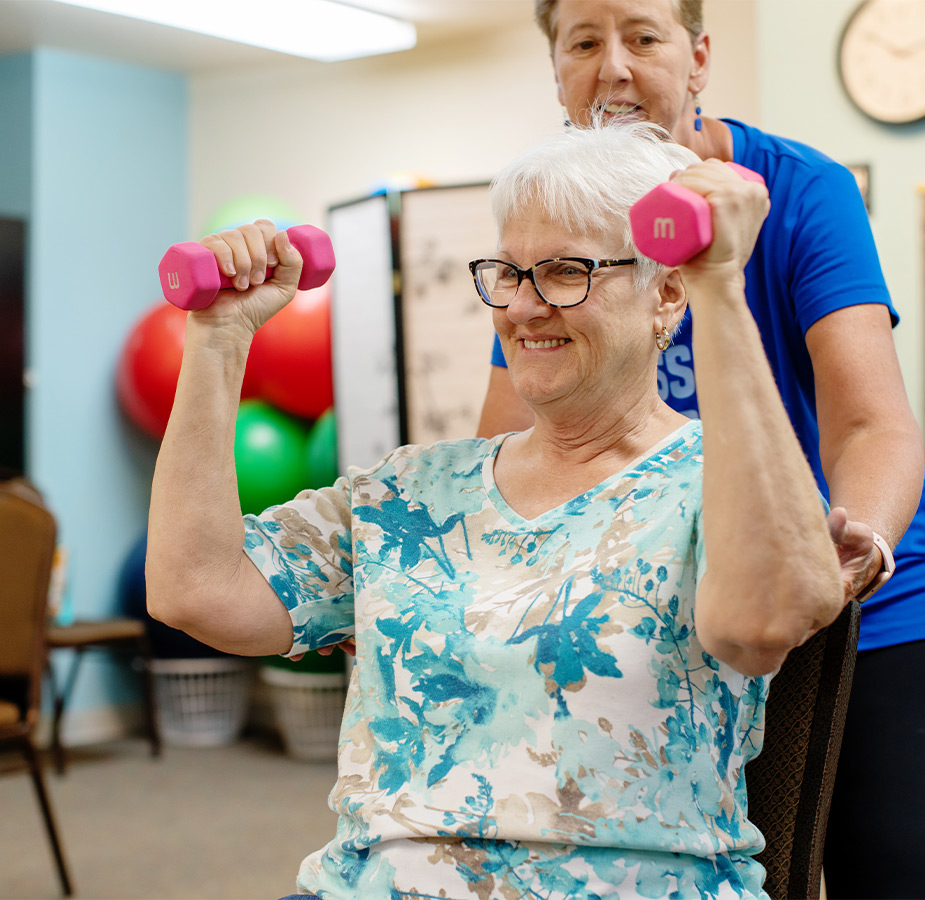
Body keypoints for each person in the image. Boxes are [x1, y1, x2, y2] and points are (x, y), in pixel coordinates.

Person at [147, 118, 845, 899]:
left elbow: (760, 625)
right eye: (508, 274)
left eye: (564, 272)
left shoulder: (724, 484)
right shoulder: (409, 494)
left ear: (666, 292)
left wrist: (721, 285)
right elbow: (195, 591)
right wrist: (217, 339)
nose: (523, 306)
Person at [474, 3, 925, 895]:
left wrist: (857, 549)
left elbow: (871, 423)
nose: (613, 69)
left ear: (698, 58)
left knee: (888, 863)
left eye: (643, 37)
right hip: (658, 608)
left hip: (860, 602)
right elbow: (508, 441)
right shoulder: (557, 224)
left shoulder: (798, 189)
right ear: (555, 72)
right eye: (583, 43)